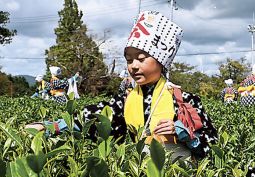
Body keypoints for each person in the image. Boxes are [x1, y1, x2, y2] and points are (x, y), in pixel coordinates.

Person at [26, 11, 218, 160]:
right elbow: (88, 119)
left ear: (161, 61)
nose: (134, 66)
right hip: (140, 176)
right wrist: (50, 126)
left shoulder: (184, 100)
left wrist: (184, 133)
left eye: (141, 59)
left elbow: (213, 146)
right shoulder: (125, 100)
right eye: (129, 60)